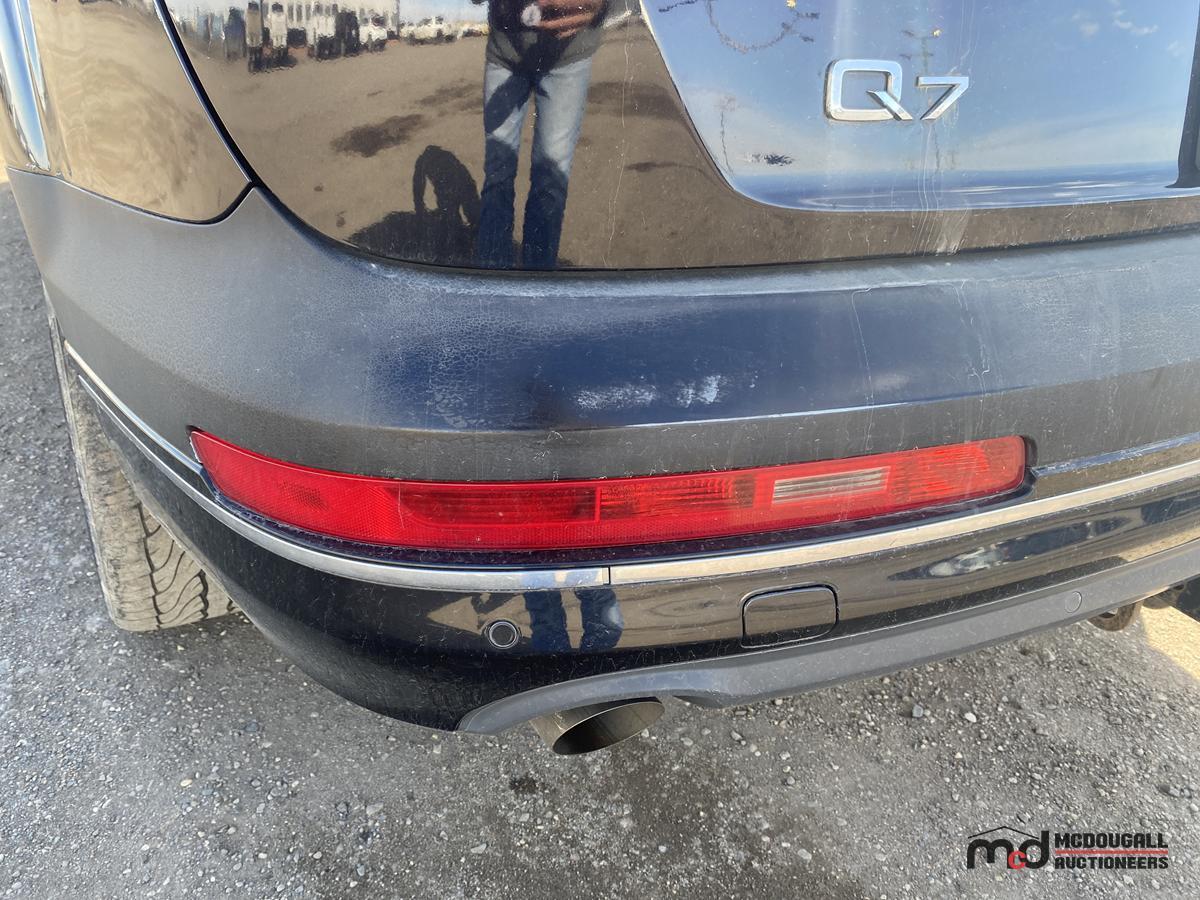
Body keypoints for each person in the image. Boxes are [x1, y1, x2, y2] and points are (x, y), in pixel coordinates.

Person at [472, 0, 606, 269]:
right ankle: (492, 282)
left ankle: (538, 283)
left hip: (569, 55)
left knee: (551, 180)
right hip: (505, 51)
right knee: (497, 173)